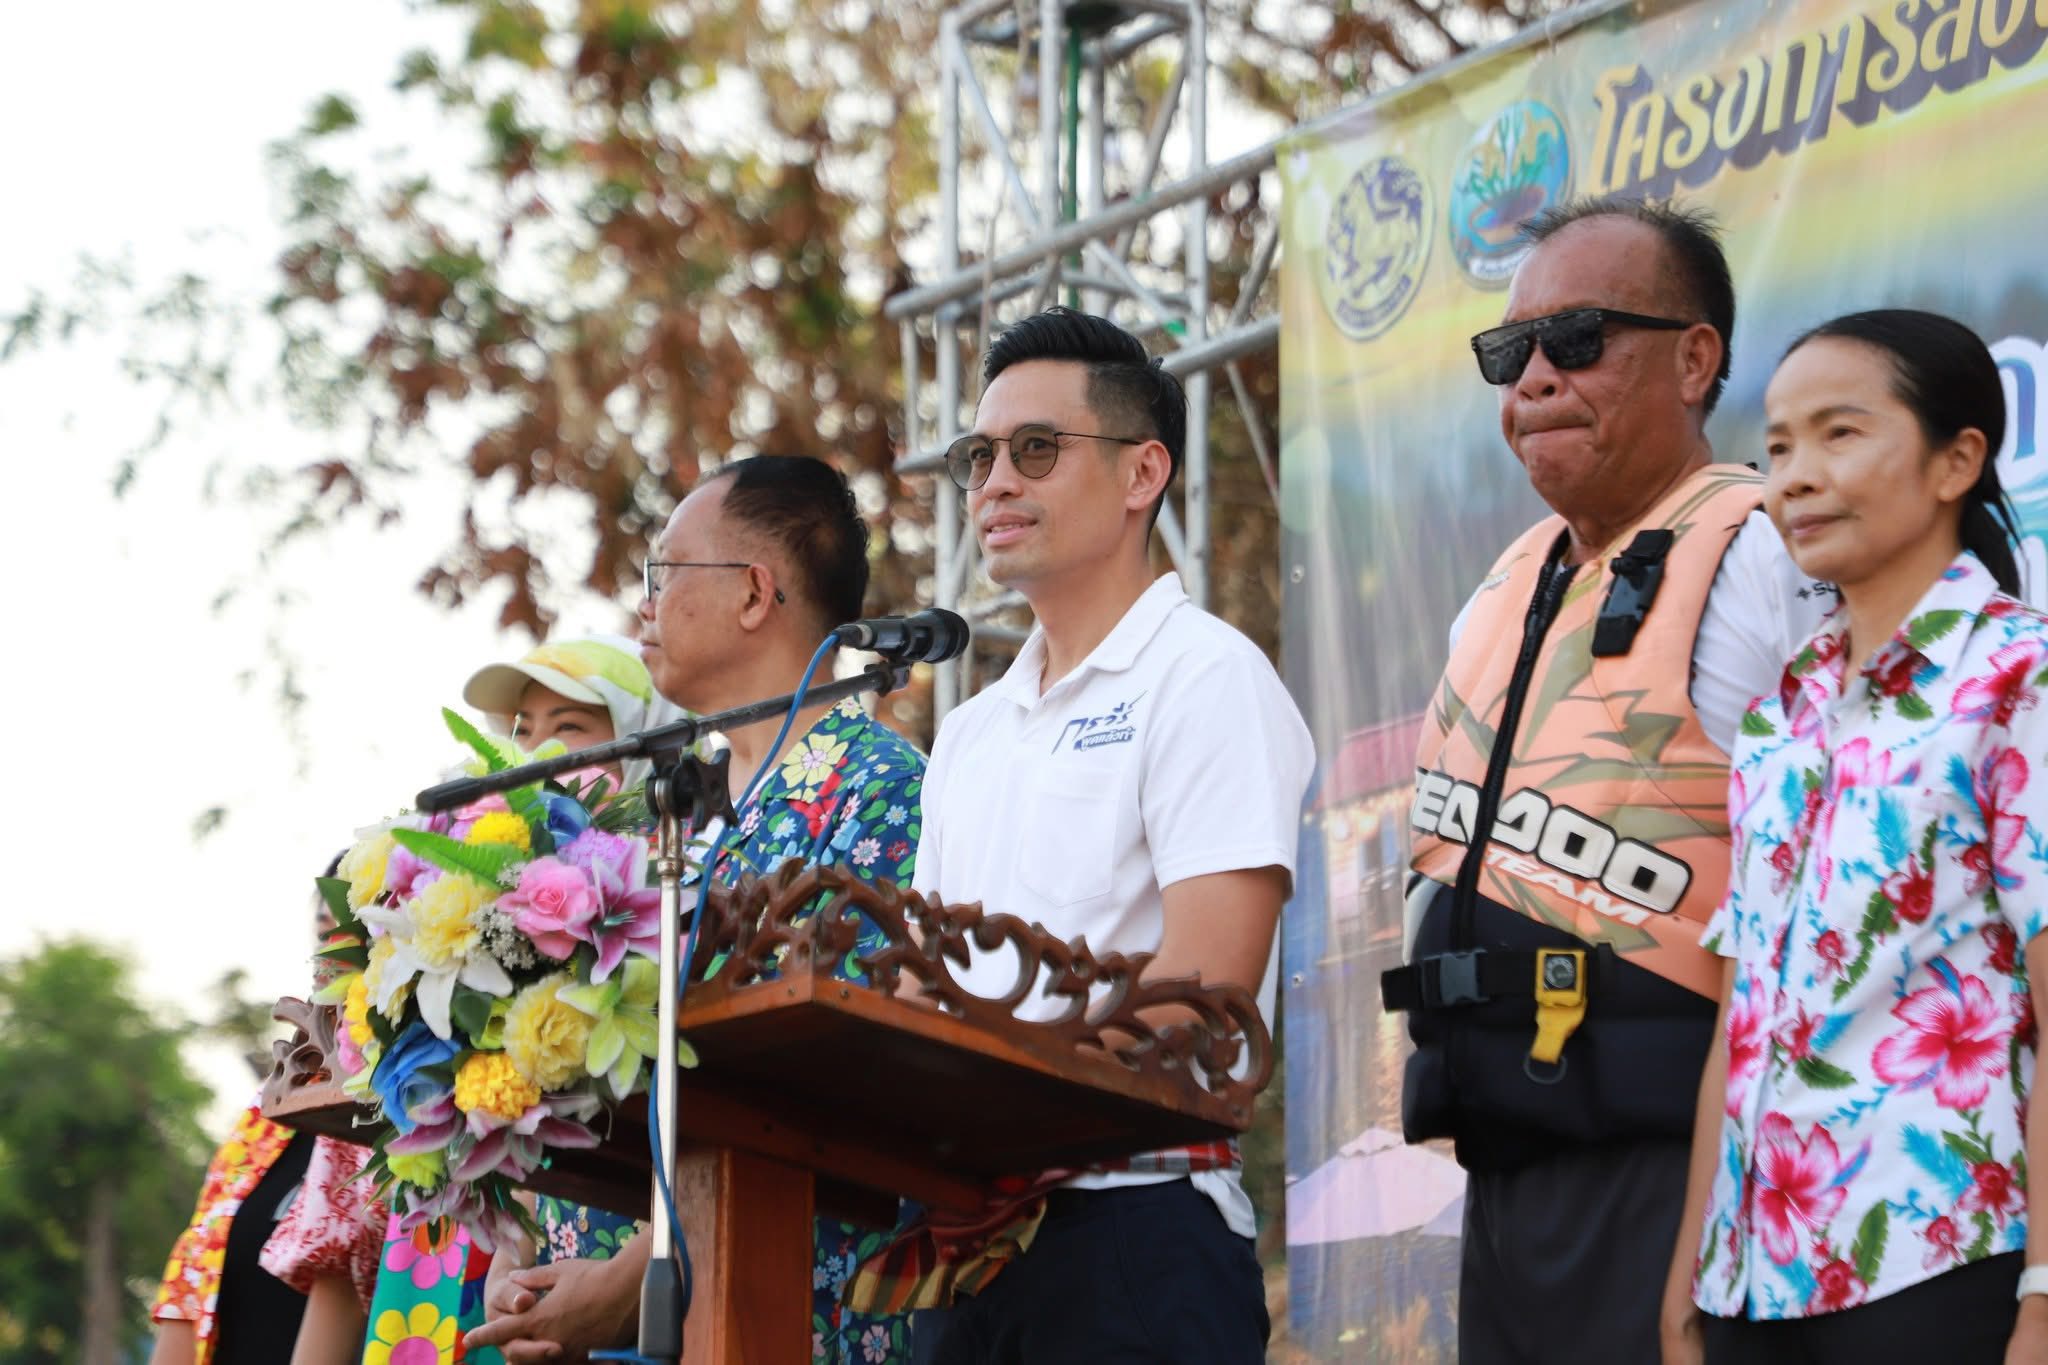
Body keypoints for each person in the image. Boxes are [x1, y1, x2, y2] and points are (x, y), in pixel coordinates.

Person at [1376, 197, 1837, 1363]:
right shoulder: (1500, 586)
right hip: (1505, 1172)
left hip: (1694, 1170)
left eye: (1573, 340)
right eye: (1506, 350)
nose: (1529, 378)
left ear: (1694, 360)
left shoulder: (1765, 552)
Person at [874, 307, 1313, 1363]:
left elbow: (1201, 1000)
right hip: (965, 1245)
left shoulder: (1206, 678)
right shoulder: (969, 731)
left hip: (1133, 1231)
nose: (991, 483)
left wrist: (989, 1087)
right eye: (979, 456)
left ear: (1140, 474)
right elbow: (916, 988)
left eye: (1035, 450)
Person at [468, 454, 924, 1364]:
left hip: (778, 1316)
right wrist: (524, 1235)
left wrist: (636, 1275)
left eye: (663, 573)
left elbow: (833, 1093)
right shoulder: (680, 812)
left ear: (756, 592)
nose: (646, 603)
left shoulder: (878, 790)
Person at [1660, 310, 2048, 1363]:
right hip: (1749, 1281)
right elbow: (1741, 1017)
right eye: (1777, 445)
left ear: (1954, 460)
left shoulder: (2017, 676)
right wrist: (1687, 1276)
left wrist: (2043, 1296)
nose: (1792, 476)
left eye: (1838, 434)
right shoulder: (1776, 718)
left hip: (1937, 1259)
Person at [264, 634, 674, 1365]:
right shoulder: (459, 921)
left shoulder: (674, 896)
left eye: (571, 727)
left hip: (645, 1293)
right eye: (522, 729)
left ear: (640, 743)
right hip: (468, 1293)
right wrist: (513, 1254)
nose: (538, 749)